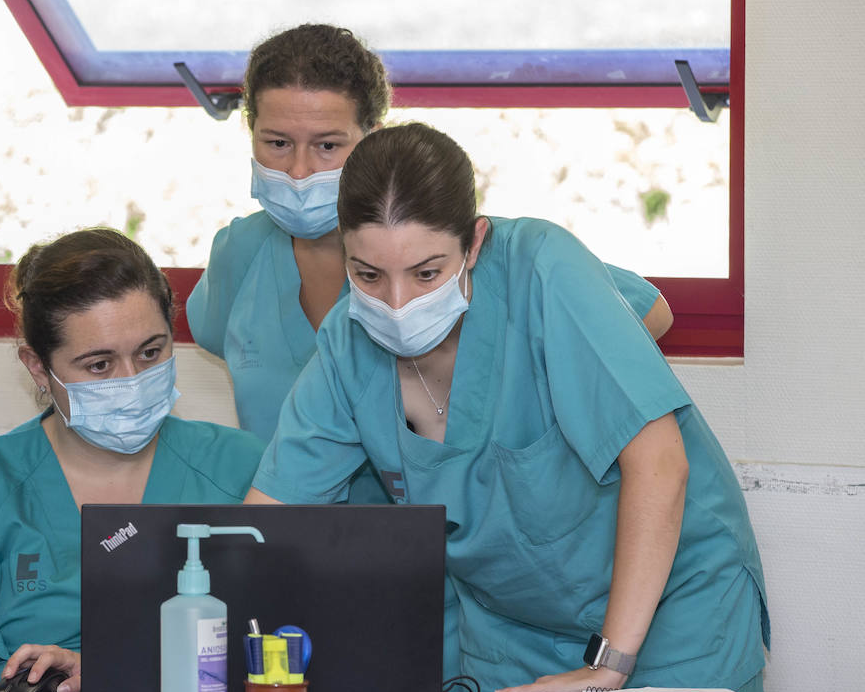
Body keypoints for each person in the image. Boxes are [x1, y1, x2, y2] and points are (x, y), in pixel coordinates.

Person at [246, 122, 768, 692]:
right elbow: (270, 518)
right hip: (513, 631)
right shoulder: (348, 344)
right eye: (368, 275)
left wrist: (611, 663)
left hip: (673, 607)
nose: (397, 305)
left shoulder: (542, 270)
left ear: (474, 242)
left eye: (426, 273)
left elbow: (661, 463)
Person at [187, 23, 673, 447]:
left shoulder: (460, 249)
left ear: (371, 138)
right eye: (276, 143)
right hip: (296, 524)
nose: (298, 170)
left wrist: (526, 429)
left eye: (327, 146)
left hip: (445, 530)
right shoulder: (239, 256)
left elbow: (649, 313)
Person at [0, 228, 265, 692]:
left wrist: (109, 670)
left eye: (151, 352)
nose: (132, 381)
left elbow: (299, 639)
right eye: (99, 365)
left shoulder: (247, 469)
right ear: (39, 368)